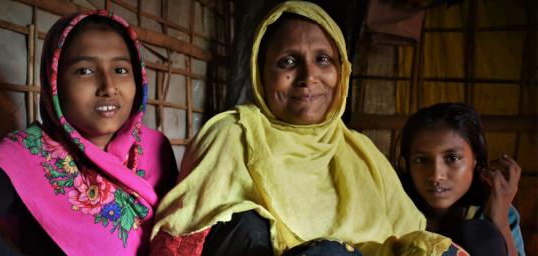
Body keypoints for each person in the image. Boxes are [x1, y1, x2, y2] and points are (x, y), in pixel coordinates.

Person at [149, 1, 460, 255]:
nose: (308, 76)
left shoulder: (361, 152)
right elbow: (184, 237)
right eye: (287, 62)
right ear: (261, 73)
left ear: (341, 71)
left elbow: (410, 234)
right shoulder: (232, 135)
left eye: (323, 59)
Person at [0, 10, 177, 255]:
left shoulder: (154, 149)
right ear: (54, 82)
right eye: (85, 71)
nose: (108, 86)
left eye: (120, 70)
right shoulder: (28, 153)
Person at [397, 103, 525, 256]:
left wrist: (499, 220)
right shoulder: (395, 210)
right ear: (408, 162)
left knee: (478, 233)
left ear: (475, 159)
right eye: (421, 160)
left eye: (452, 158)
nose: (436, 175)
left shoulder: (501, 214)